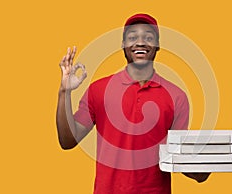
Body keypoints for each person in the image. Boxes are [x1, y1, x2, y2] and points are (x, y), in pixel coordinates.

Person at [56, 13, 210, 194]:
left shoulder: (177, 97)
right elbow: (67, 141)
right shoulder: (99, 90)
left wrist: (207, 163)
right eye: (132, 37)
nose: (140, 42)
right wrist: (64, 92)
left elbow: (178, 156)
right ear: (123, 45)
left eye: (148, 37)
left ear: (157, 45)